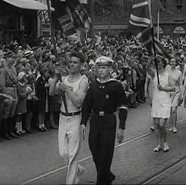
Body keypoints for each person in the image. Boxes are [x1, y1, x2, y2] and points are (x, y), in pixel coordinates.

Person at [80, 56, 127, 185]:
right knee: (94, 149)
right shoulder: (93, 85)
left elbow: (123, 107)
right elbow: (87, 105)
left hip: (109, 121)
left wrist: (121, 127)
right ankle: (107, 175)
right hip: (95, 121)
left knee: (106, 153)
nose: (101, 70)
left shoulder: (116, 85)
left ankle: (102, 181)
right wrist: (83, 123)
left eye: (104, 68)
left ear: (110, 69)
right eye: (99, 68)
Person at [49, 51, 89, 184]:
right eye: (70, 62)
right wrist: (56, 77)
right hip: (62, 118)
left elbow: (78, 103)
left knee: (73, 156)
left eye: (75, 62)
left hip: (75, 119)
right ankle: (78, 169)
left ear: (81, 65)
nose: (72, 64)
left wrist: (67, 89)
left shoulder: (83, 81)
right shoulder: (64, 79)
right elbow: (51, 92)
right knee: (63, 153)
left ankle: (70, 182)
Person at [146, 55, 175, 152]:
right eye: (156, 62)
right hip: (156, 101)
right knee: (156, 125)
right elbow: (146, 67)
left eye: (159, 62)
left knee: (162, 124)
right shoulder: (154, 74)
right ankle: (159, 144)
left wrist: (163, 88)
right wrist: (151, 59)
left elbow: (173, 87)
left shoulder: (168, 74)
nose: (157, 64)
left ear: (163, 63)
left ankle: (165, 143)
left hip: (165, 101)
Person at [168, 56, 183, 133]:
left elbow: (180, 84)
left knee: (174, 109)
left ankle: (174, 126)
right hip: (168, 92)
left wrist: (181, 94)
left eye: (174, 62)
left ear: (176, 63)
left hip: (176, 92)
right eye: (171, 62)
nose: (172, 63)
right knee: (170, 109)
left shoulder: (179, 73)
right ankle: (171, 125)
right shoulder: (167, 71)